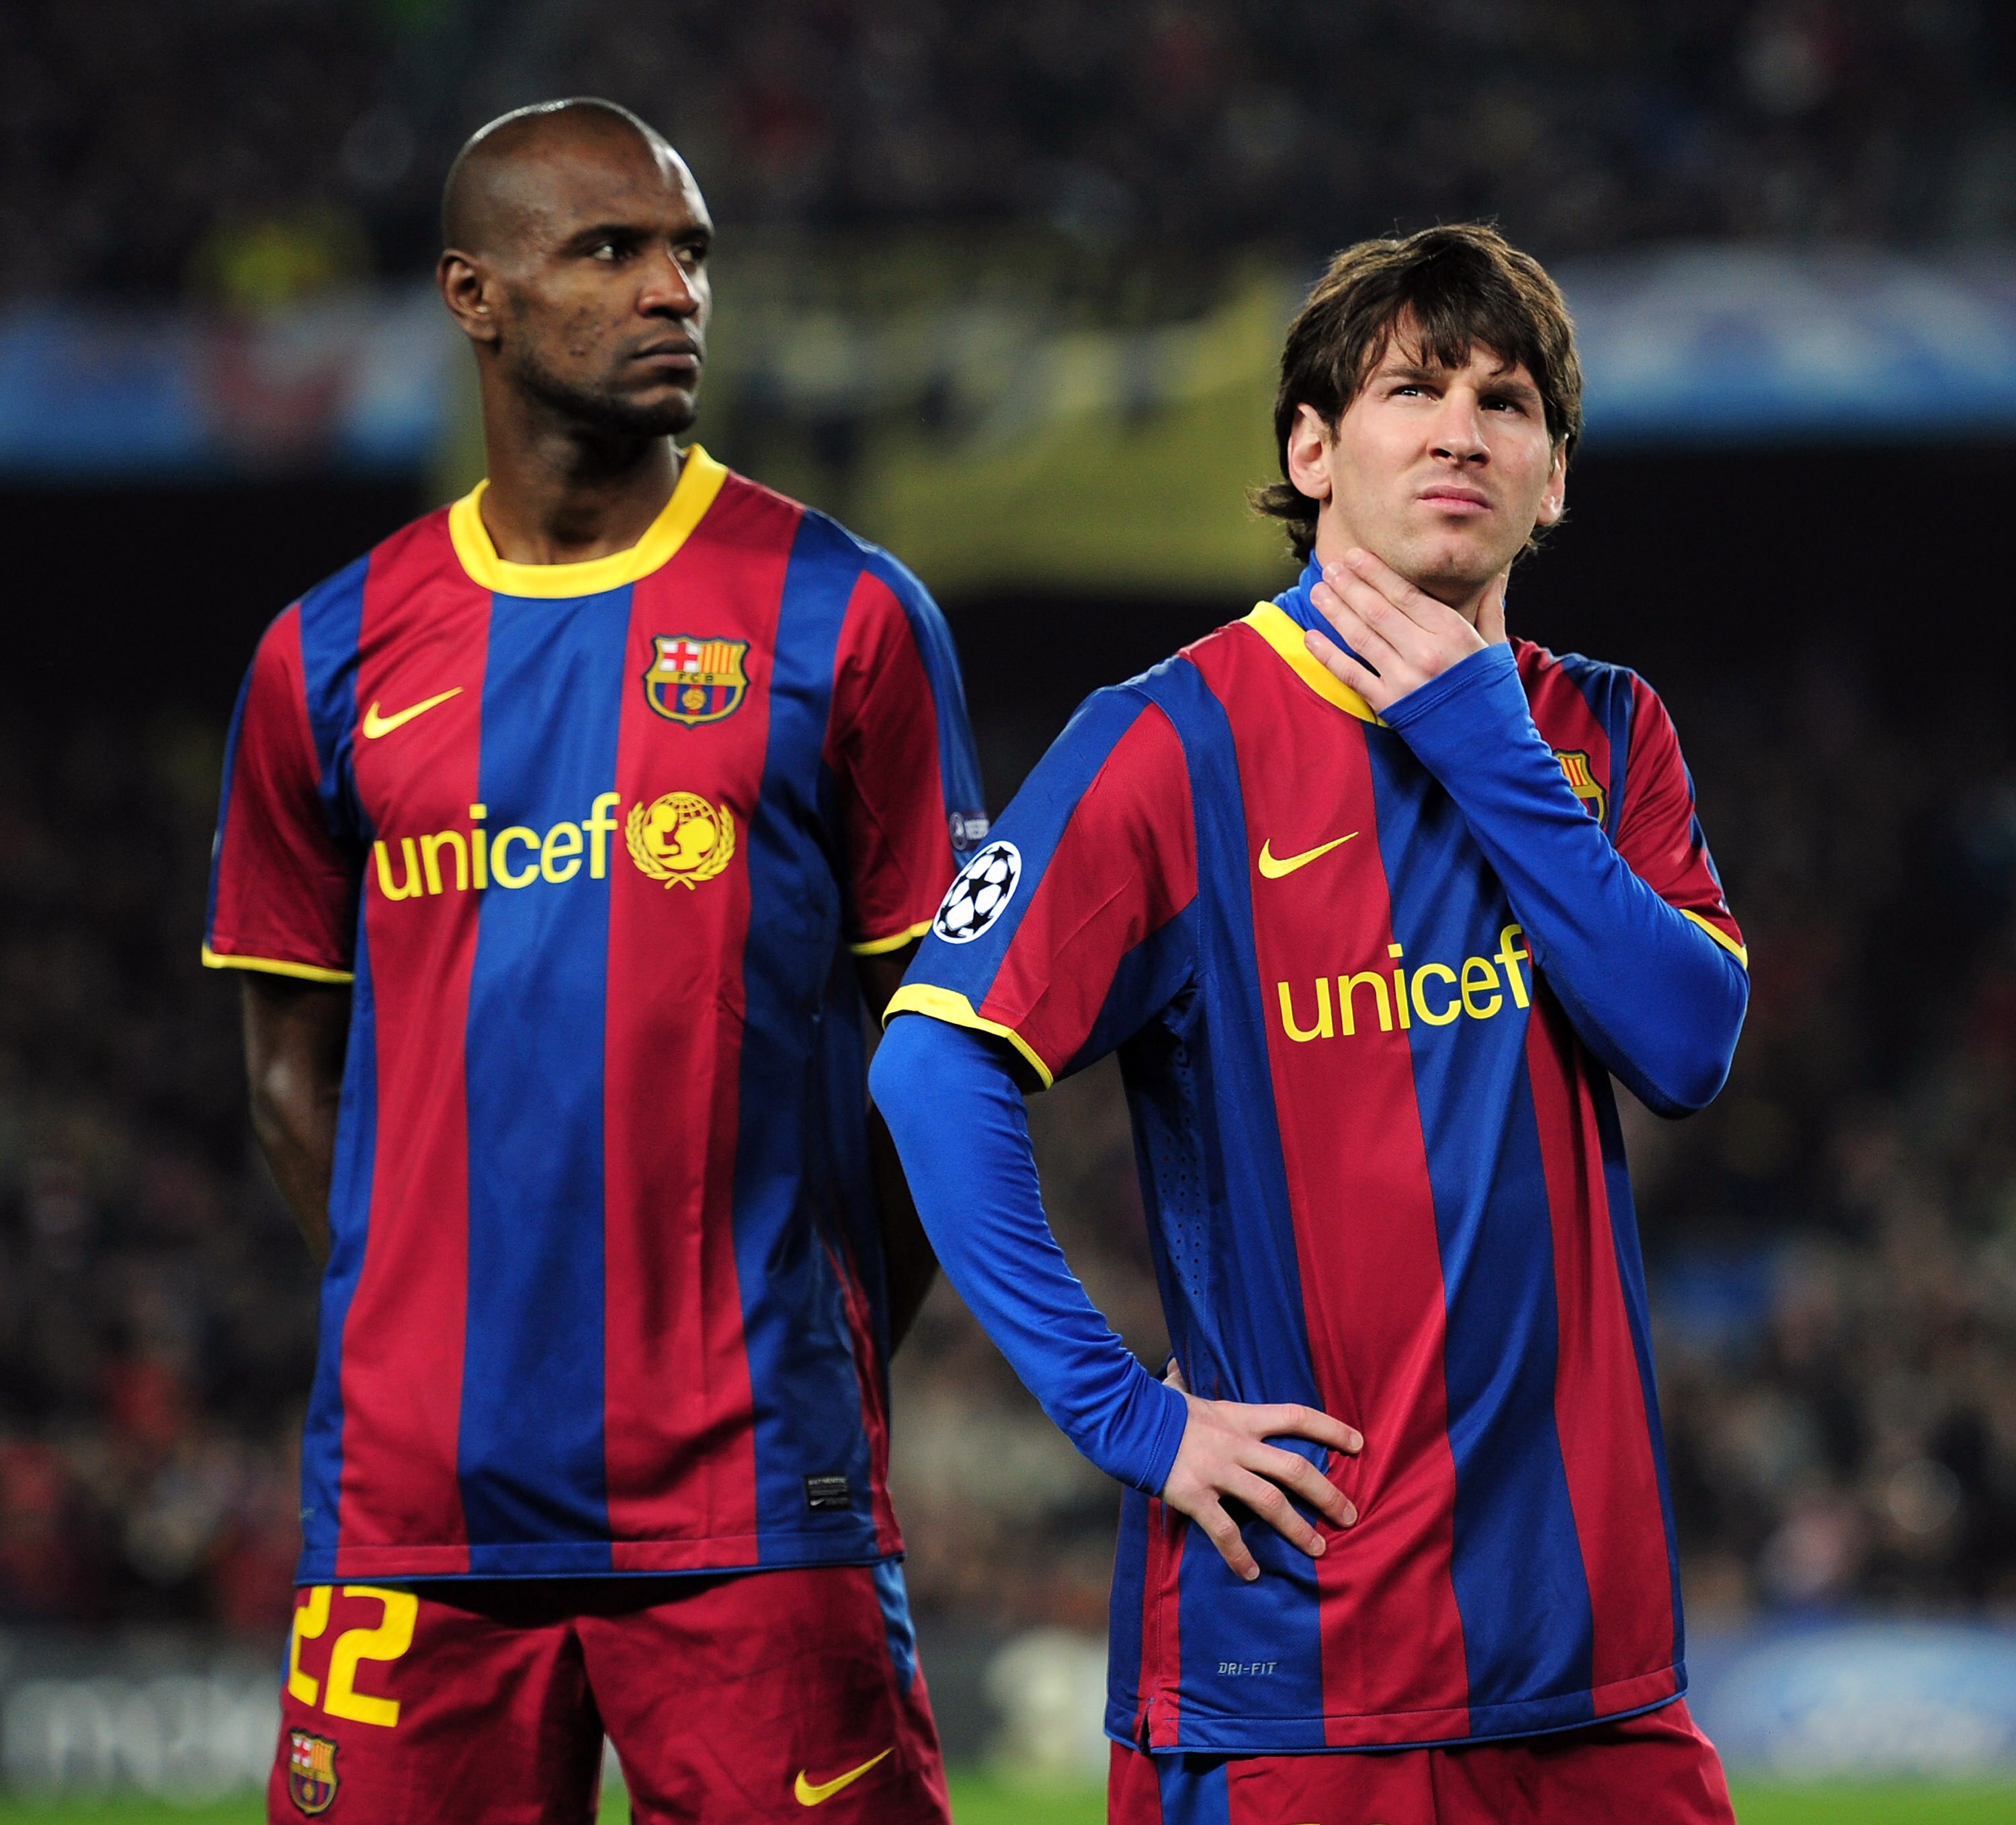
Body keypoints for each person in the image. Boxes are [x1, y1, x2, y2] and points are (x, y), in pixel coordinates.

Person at [871, 223, 1748, 1824]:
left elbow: (1687, 1044)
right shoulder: (1164, 741)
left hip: (1599, 1672)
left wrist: (1480, 736)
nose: (1461, 428)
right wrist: (1123, 1411)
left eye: (1508, 399)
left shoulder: (1604, 729)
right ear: (1311, 448)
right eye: (1412, 387)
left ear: (1554, 477)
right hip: (1303, 1674)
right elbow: (930, 1061)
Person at [204, 98, 982, 1825]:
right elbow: (285, 1070)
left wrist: (823, 1346)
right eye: (610, 250)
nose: (671, 291)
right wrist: (429, 1319)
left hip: (755, 1505)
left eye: (689, 252)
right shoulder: (323, 655)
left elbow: (949, 1055)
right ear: (475, 296)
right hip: (417, 1522)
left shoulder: (844, 615)